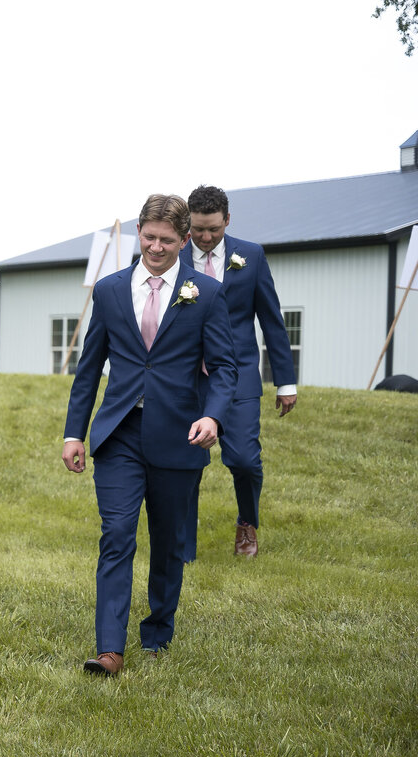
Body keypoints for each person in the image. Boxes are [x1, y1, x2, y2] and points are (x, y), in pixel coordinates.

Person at [62, 194, 236, 676]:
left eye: (167, 240)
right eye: (149, 237)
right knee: (116, 535)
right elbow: (89, 368)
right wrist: (74, 433)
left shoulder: (207, 293)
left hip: (180, 435)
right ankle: (109, 650)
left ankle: (157, 633)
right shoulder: (110, 290)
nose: (156, 248)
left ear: (184, 240)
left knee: (167, 542)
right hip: (119, 433)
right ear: (138, 232)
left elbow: (225, 368)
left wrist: (213, 418)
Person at [183, 185, 296, 559]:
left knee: (245, 459)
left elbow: (271, 320)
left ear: (227, 220)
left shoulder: (251, 256)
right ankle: (183, 541)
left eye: (213, 229)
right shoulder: (172, 256)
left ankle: (247, 522)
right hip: (187, 378)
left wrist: (285, 381)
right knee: (185, 462)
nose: (205, 237)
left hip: (240, 375)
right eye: (198, 229)